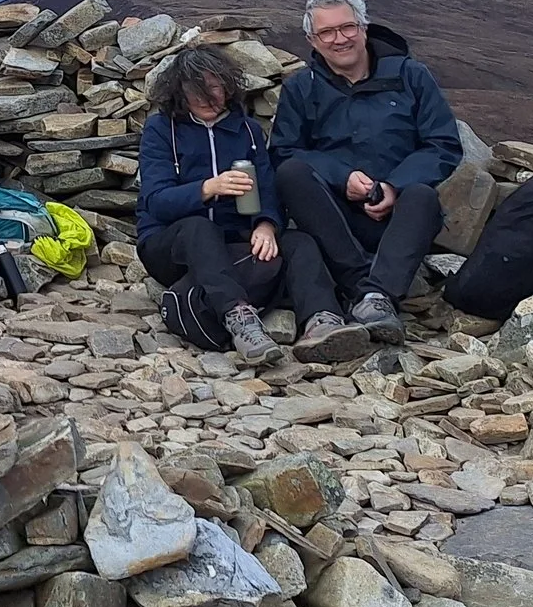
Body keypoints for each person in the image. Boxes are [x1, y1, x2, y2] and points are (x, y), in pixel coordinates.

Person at [136, 44, 365, 367]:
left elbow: (268, 189)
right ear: (179, 90)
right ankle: (240, 321)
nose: (207, 97)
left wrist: (267, 225)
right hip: (170, 246)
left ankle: (323, 322)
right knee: (198, 228)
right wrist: (208, 188)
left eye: (215, 86)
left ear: (228, 87)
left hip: (232, 242)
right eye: (196, 88)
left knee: (298, 242)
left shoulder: (247, 130)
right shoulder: (162, 130)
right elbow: (156, 202)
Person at [270, 0, 460, 342]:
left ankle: (375, 295)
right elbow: (284, 152)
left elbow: (443, 144)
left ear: (364, 28)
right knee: (290, 173)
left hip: (400, 217)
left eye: (347, 27)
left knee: (423, 196)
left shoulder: (410, 76)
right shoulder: (302, 88)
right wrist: (342, 178)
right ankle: (369, 294)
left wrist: (393, 186)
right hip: (333, 218)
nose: (339, 39)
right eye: (327, 32)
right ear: (312, 41)